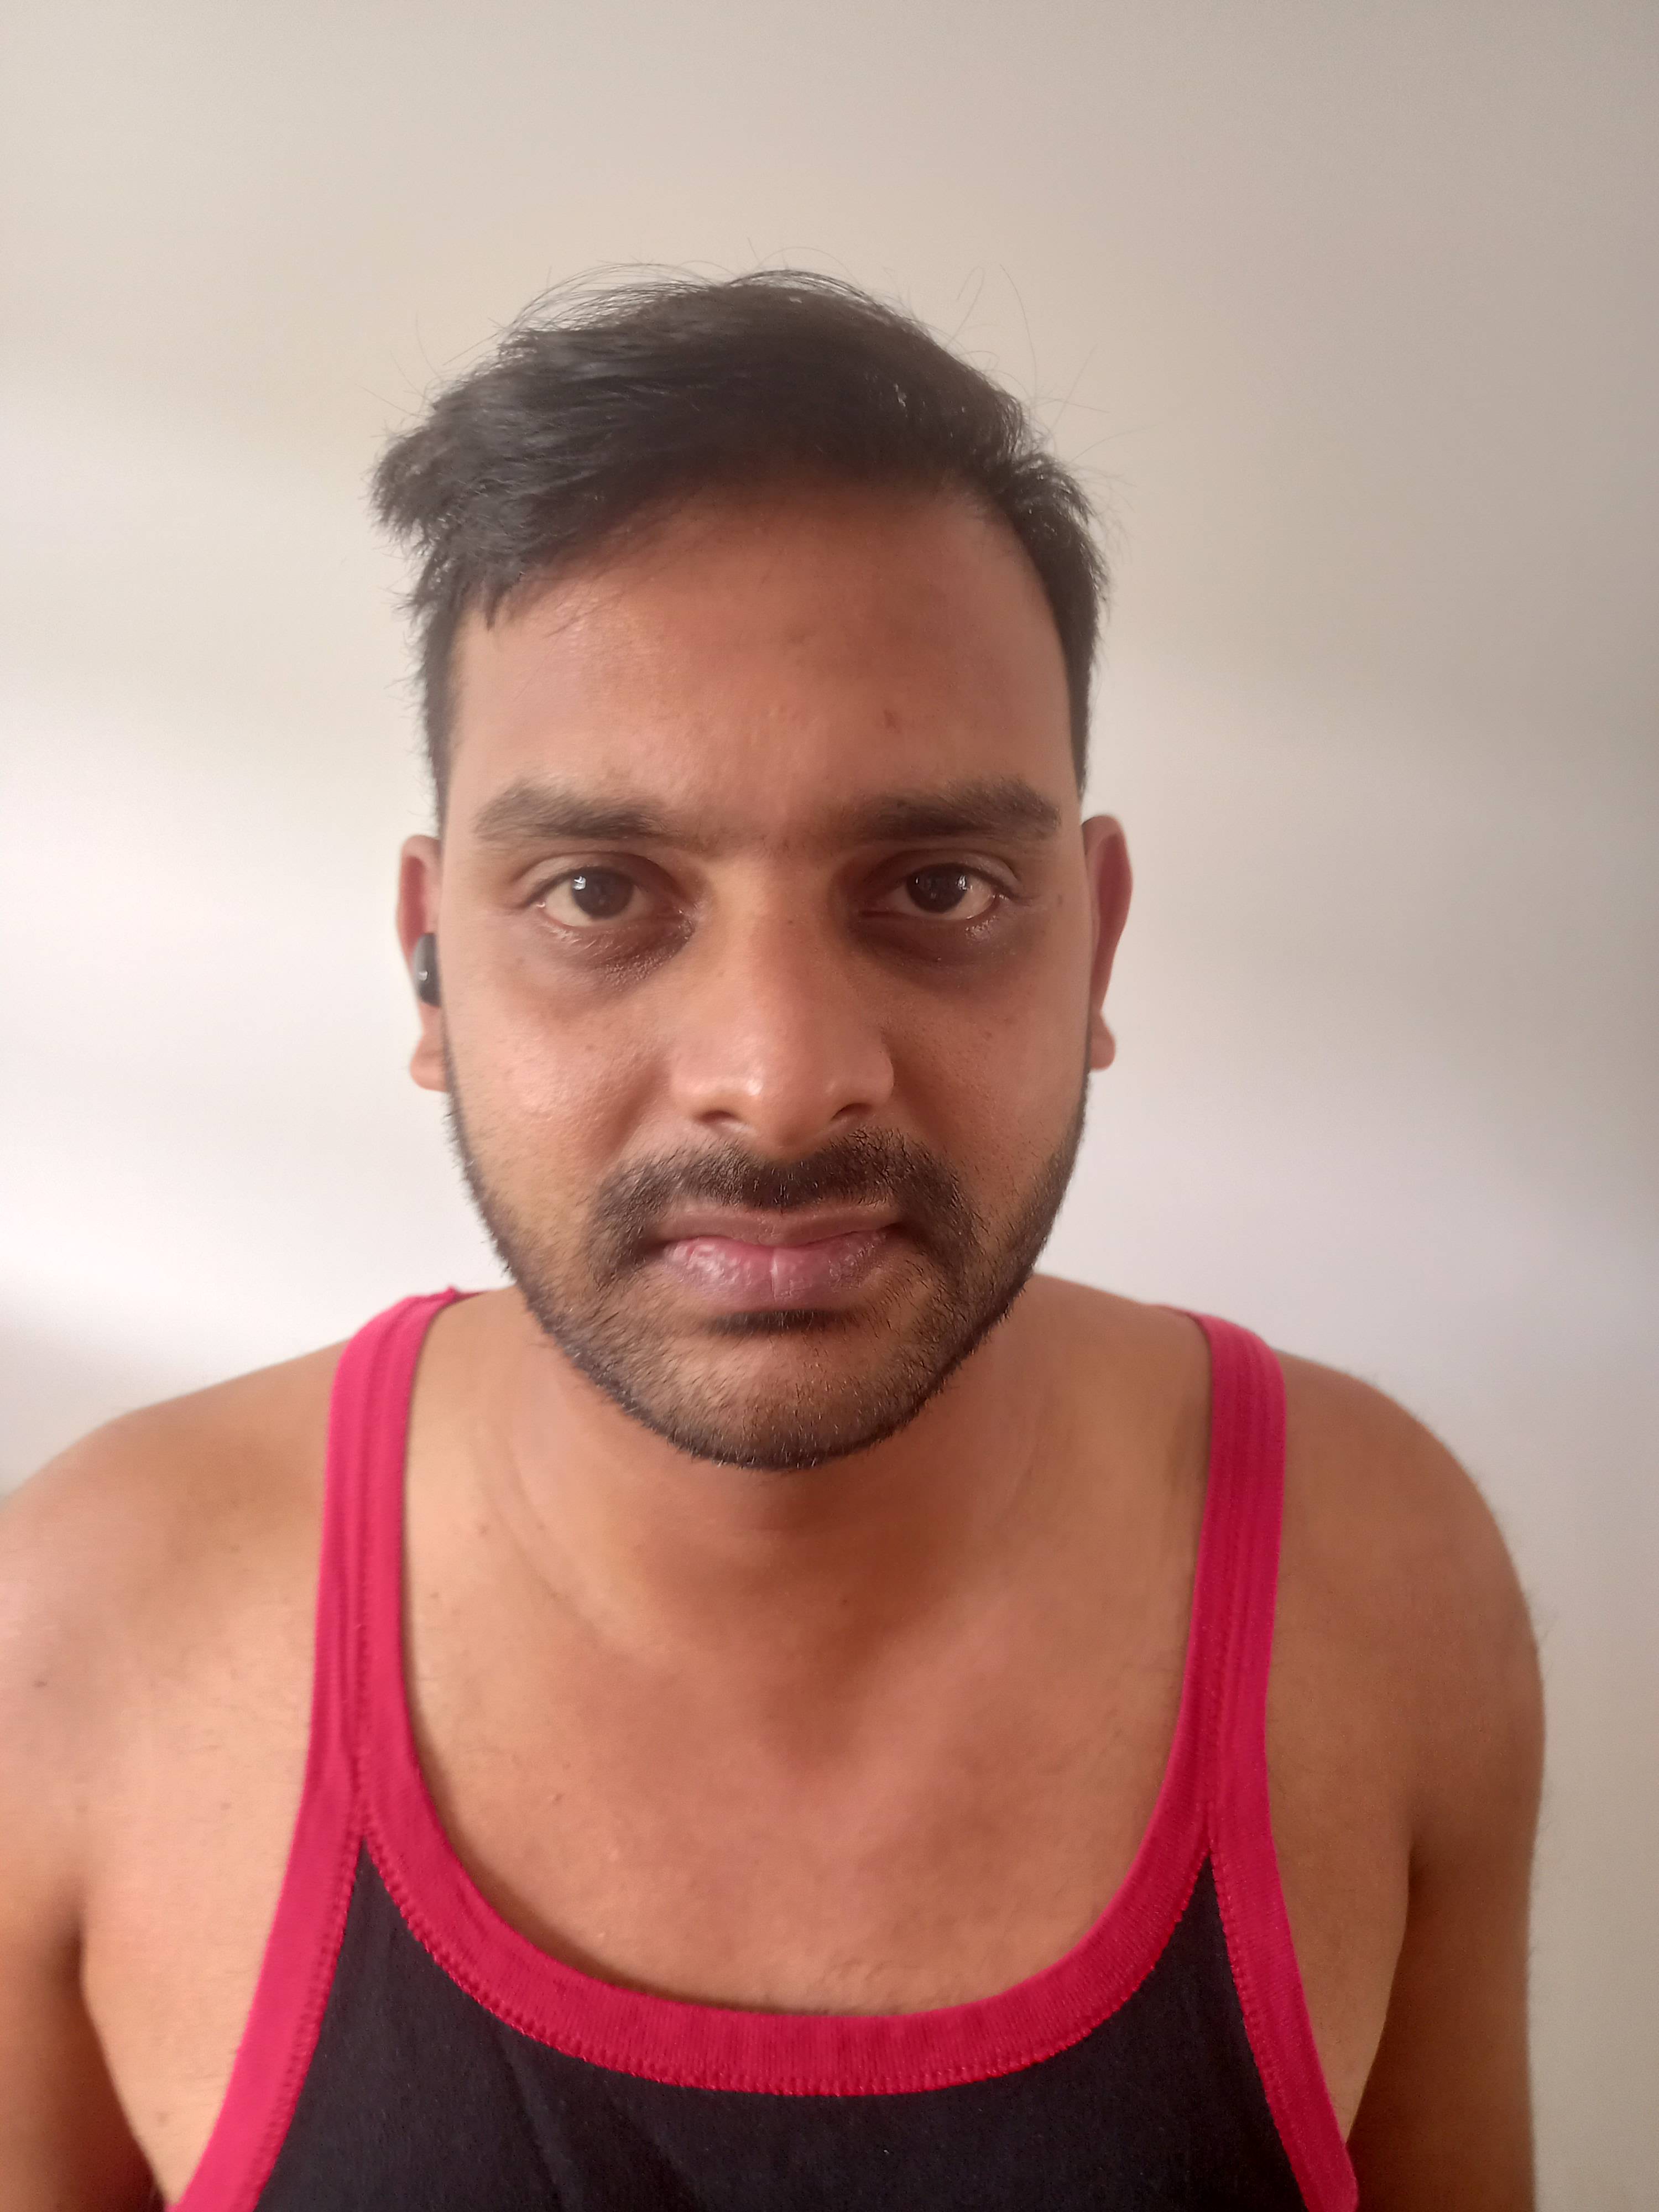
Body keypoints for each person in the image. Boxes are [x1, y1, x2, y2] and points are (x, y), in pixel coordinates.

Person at [0, 272, 1542, 2211]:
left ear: (1095, 946)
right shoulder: (80, 1629)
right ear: (430, 961)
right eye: (600, 893)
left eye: (939, 887)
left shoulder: (1377, 1574)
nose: (784, 1080)